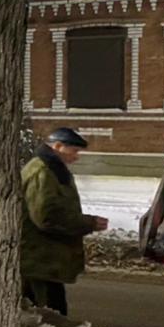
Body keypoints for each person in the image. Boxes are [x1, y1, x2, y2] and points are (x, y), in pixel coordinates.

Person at [20, 127, 108, 315]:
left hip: (46, 261)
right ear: (58, 146)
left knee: (51, 312)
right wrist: (88, 223)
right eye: (74, 151)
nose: (76, 157)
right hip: (39, 261)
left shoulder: (53, 170)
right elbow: (46, 217)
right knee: (47, 316)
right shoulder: (42, 172)